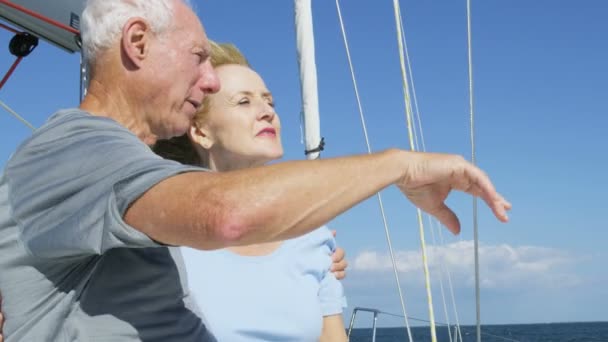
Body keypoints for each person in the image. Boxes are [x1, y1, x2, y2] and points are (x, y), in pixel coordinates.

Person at [0, 0, 510, 340]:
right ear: (137, 43)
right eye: (199, 57)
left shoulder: (132, 180)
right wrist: (403, 165)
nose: (206, 80)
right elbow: (226, 215)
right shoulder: (74, 146)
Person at [153, 41, 347, 341]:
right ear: (201, 132)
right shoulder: (164, 235)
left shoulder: (312, 235)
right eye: (244, 102)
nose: (267, 112)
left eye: (269, 101)